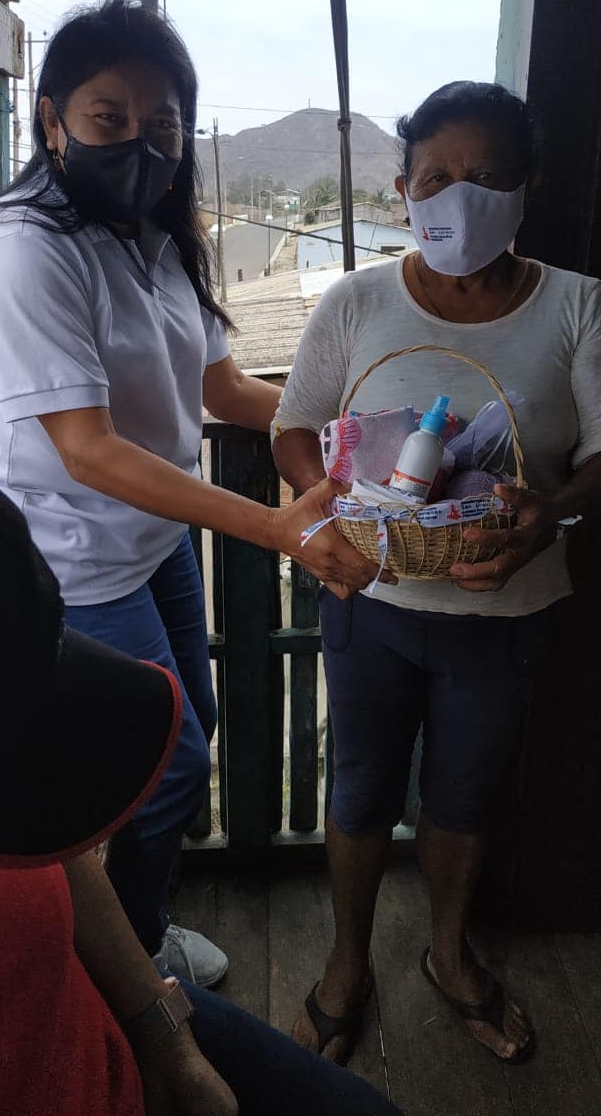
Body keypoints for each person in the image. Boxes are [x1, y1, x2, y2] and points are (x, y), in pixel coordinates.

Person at [0, 0, 376, 987]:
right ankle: (131, 963)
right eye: (109, 119)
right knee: (166, 761)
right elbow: (89, 450)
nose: (139, 146)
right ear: (52, 120)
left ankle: (134, 933)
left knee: (192, 725)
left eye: (163, 126)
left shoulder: (157, 232)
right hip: (67, 551)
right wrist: (277, 526)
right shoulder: (19, 251)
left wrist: (353, 428)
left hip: (149, 540)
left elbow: (223, 390)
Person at [272, 81, 601, 1065]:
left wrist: (550, 514)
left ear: (528, 188)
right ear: (402, 187)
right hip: (371, 601)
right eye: (436, 177)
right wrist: (327, 506)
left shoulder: (579, 304)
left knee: (464, 792)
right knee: (361, 785)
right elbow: (293, 427)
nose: (460, 197)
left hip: (506, 608)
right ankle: (346, 963)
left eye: (488, 178)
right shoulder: (357, 299)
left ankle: (449, 955)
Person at [0, 461, 405, 1116]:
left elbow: (49, 851)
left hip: (106, 1010)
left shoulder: (5, 803)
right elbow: (86, 447)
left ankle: (149, 941)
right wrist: (275, 526)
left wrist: (163, 1034)